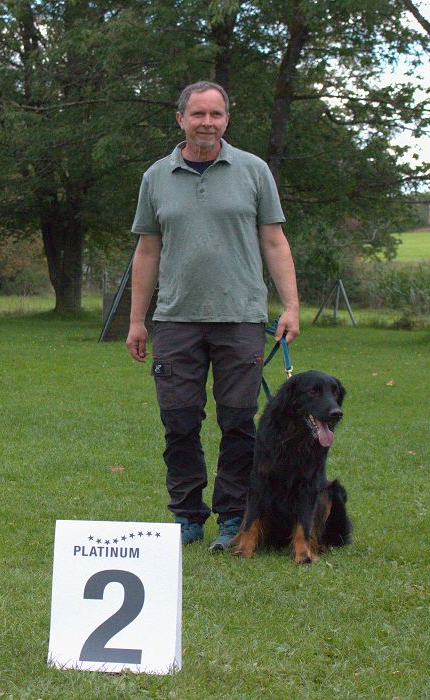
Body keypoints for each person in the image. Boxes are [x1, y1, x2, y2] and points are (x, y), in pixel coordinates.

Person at [126, 81, 300, 552]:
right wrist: (137, 320)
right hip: (176, 319)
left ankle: (232, 515)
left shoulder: (253, 171)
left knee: (239, 422)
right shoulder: (156, 177)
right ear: (180, 118)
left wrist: (291, 306)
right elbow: (147, 250)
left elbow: (274, 241)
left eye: (216, 114)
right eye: (198, 114)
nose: (207, 122)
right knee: (179, 422)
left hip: (240, 318)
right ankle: (186, 515)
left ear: (227, 119)